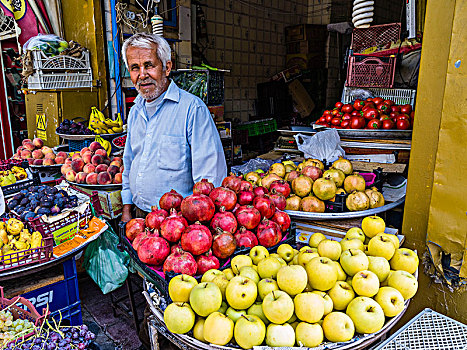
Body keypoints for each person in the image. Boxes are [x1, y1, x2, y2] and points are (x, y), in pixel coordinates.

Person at [120, 33, 227, 222]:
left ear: (167, 67)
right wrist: (127, 208)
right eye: (135, 68)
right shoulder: (135, 110)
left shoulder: (192, 110)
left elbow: (210, 178)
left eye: (149, 65)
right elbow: (129, 162)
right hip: (140, 217)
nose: (142, 75)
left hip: (178, 224)